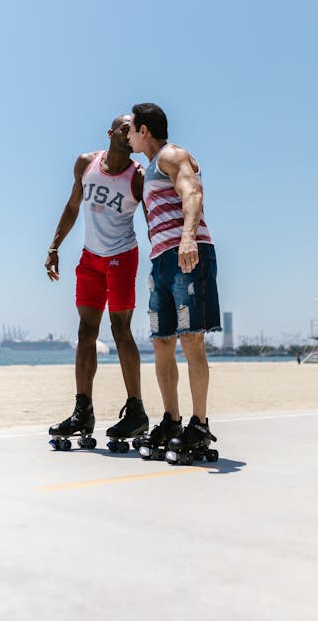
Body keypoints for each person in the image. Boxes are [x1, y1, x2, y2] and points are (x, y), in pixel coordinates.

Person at [45, 114, 149, 446]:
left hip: (122, 256)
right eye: (125, 129)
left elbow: (152, 217)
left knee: (121, 330)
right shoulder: (86, 163)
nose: (130, 134)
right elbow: (73, 206)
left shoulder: (139, 177)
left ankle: (136, 411)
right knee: (85, 331)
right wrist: (54, 246)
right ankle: (82, 410)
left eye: (134, 131)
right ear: (110, 133)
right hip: (90, 258)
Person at [127, 102, 221, 460]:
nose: (129, 136)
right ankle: (172, 419)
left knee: (191, 341)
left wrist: (187, 237)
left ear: (145, 130)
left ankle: (199, 423)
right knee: (162, 342)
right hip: (160, 261)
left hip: (188, 252)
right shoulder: (149, 167)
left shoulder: (172, 155)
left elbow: (192, 191)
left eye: (131, 129)